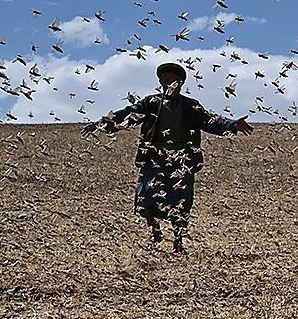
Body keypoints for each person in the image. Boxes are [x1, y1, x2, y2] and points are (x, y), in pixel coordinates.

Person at [81, 62, 253, 254]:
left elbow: (210, 120)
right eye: (164, 81)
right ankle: (155, 234)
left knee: (180, 200)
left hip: (182, 160)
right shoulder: (150, 103)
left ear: (180, 83)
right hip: (154, 157)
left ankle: (178, 241)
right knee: (148, 195)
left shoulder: (190, 105)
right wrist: (101, 124)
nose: (168, 84)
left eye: (172, 80)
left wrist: (231, 124)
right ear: (160, 82)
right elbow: (126, 114)